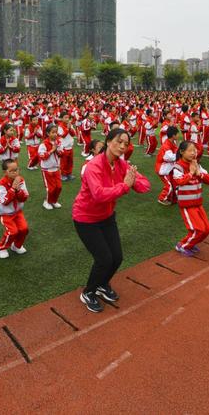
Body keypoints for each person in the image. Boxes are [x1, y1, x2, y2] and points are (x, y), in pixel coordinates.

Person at [73, 128, 151, 313]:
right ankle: (88, 292)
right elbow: (99, 195)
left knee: (117, 257)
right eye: (119, 141)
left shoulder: (121, 164)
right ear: (108, 141)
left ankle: (101, 284)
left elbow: (144, 186)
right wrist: (125, 185)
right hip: (86, 218)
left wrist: (133, 182)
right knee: (104, 259)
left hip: (107, 217)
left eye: (126, 143)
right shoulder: (94, 166)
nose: (123, 146)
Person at [171, 141, 209, 257]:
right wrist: (191, 173)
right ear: (182, 152)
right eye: (190, 150)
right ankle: (182, 246)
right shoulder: (178, 166)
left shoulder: (197, 165)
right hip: (186, 205)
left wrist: (199, 173)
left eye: (195, 150)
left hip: (198, 203)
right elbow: (179, 181)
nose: (193, 153)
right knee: (199, 229)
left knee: (207, 229)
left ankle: (190, 243)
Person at [0, 159, 30, 259]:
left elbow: (25, 197)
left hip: (17, 211)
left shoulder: (21, 180)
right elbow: (5, 201)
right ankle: (1, 248)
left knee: (24, 229)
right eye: (12, 171)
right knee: (12, 231)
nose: (15, 173)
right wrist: (13, 189)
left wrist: (18, 191)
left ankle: (16, 246)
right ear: (5, 172)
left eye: (16, 170)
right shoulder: (2, 183)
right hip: (5, 212)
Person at [38, 124, 64, 210]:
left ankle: (54, 201)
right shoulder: (43, 144)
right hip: (47, 169)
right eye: (53, 132)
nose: (55, 134)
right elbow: (42, 156)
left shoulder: (59, 142)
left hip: (56, 168)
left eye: (56, 132)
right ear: (48, 133)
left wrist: (56, 150)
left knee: (59, 187)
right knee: (51, 188)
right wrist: (52, 150)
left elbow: (62, 154)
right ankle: (47, 201)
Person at [155, 126, 179, 205]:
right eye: (177, 134)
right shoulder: (166, 145)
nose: (178, 135)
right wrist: (181, 155)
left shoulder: (172, 142)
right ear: (173, 135)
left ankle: (172, 199)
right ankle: (161, 198)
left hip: (169, 167)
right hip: (163, 169)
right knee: (169, 186)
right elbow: (171, 157)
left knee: (174, 183)